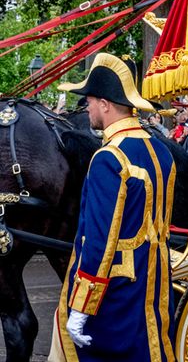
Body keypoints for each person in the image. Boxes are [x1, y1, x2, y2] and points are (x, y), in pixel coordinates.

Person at [50, 53, 176, 361]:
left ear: (105, 103)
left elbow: (98, 241)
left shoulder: (109, 158)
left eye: (90, 100)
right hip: (154, 287)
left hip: (114, 294)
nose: (88, 108)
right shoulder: (161, 151)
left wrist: (81, 306)